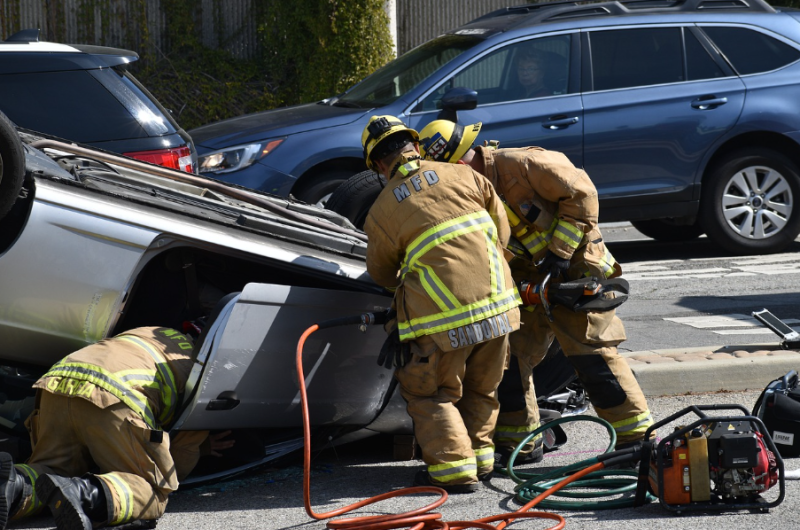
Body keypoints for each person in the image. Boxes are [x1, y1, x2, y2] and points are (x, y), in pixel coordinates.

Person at [418, 119, 655, 466]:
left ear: (466, 155)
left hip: (574, 270)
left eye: (455, 167)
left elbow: (583, 193)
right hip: (531, 284)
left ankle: (636, 442)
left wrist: (560, 253)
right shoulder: (466, 192)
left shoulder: (522, 164)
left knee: (592, 356)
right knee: (509, 359)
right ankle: (521, 445)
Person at [361, 115, 521, 493]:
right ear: (415, 146)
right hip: (501, 308)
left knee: (430, 393)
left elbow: (382, 273)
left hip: (442, 322)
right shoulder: (464, 174)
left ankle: (454, 471)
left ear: (379, 165)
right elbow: (503, 232)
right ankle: (482, 461)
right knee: (483, 388)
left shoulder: (382, 210)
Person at [0, 325, 234, 530]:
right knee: (152, 492)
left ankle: (13, 485)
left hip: (56, 385)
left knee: (53, 472)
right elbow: (176, 467)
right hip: (111, 396)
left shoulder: (155, 332)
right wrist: (198, 449)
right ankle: (83, 492)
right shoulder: (202, 370)